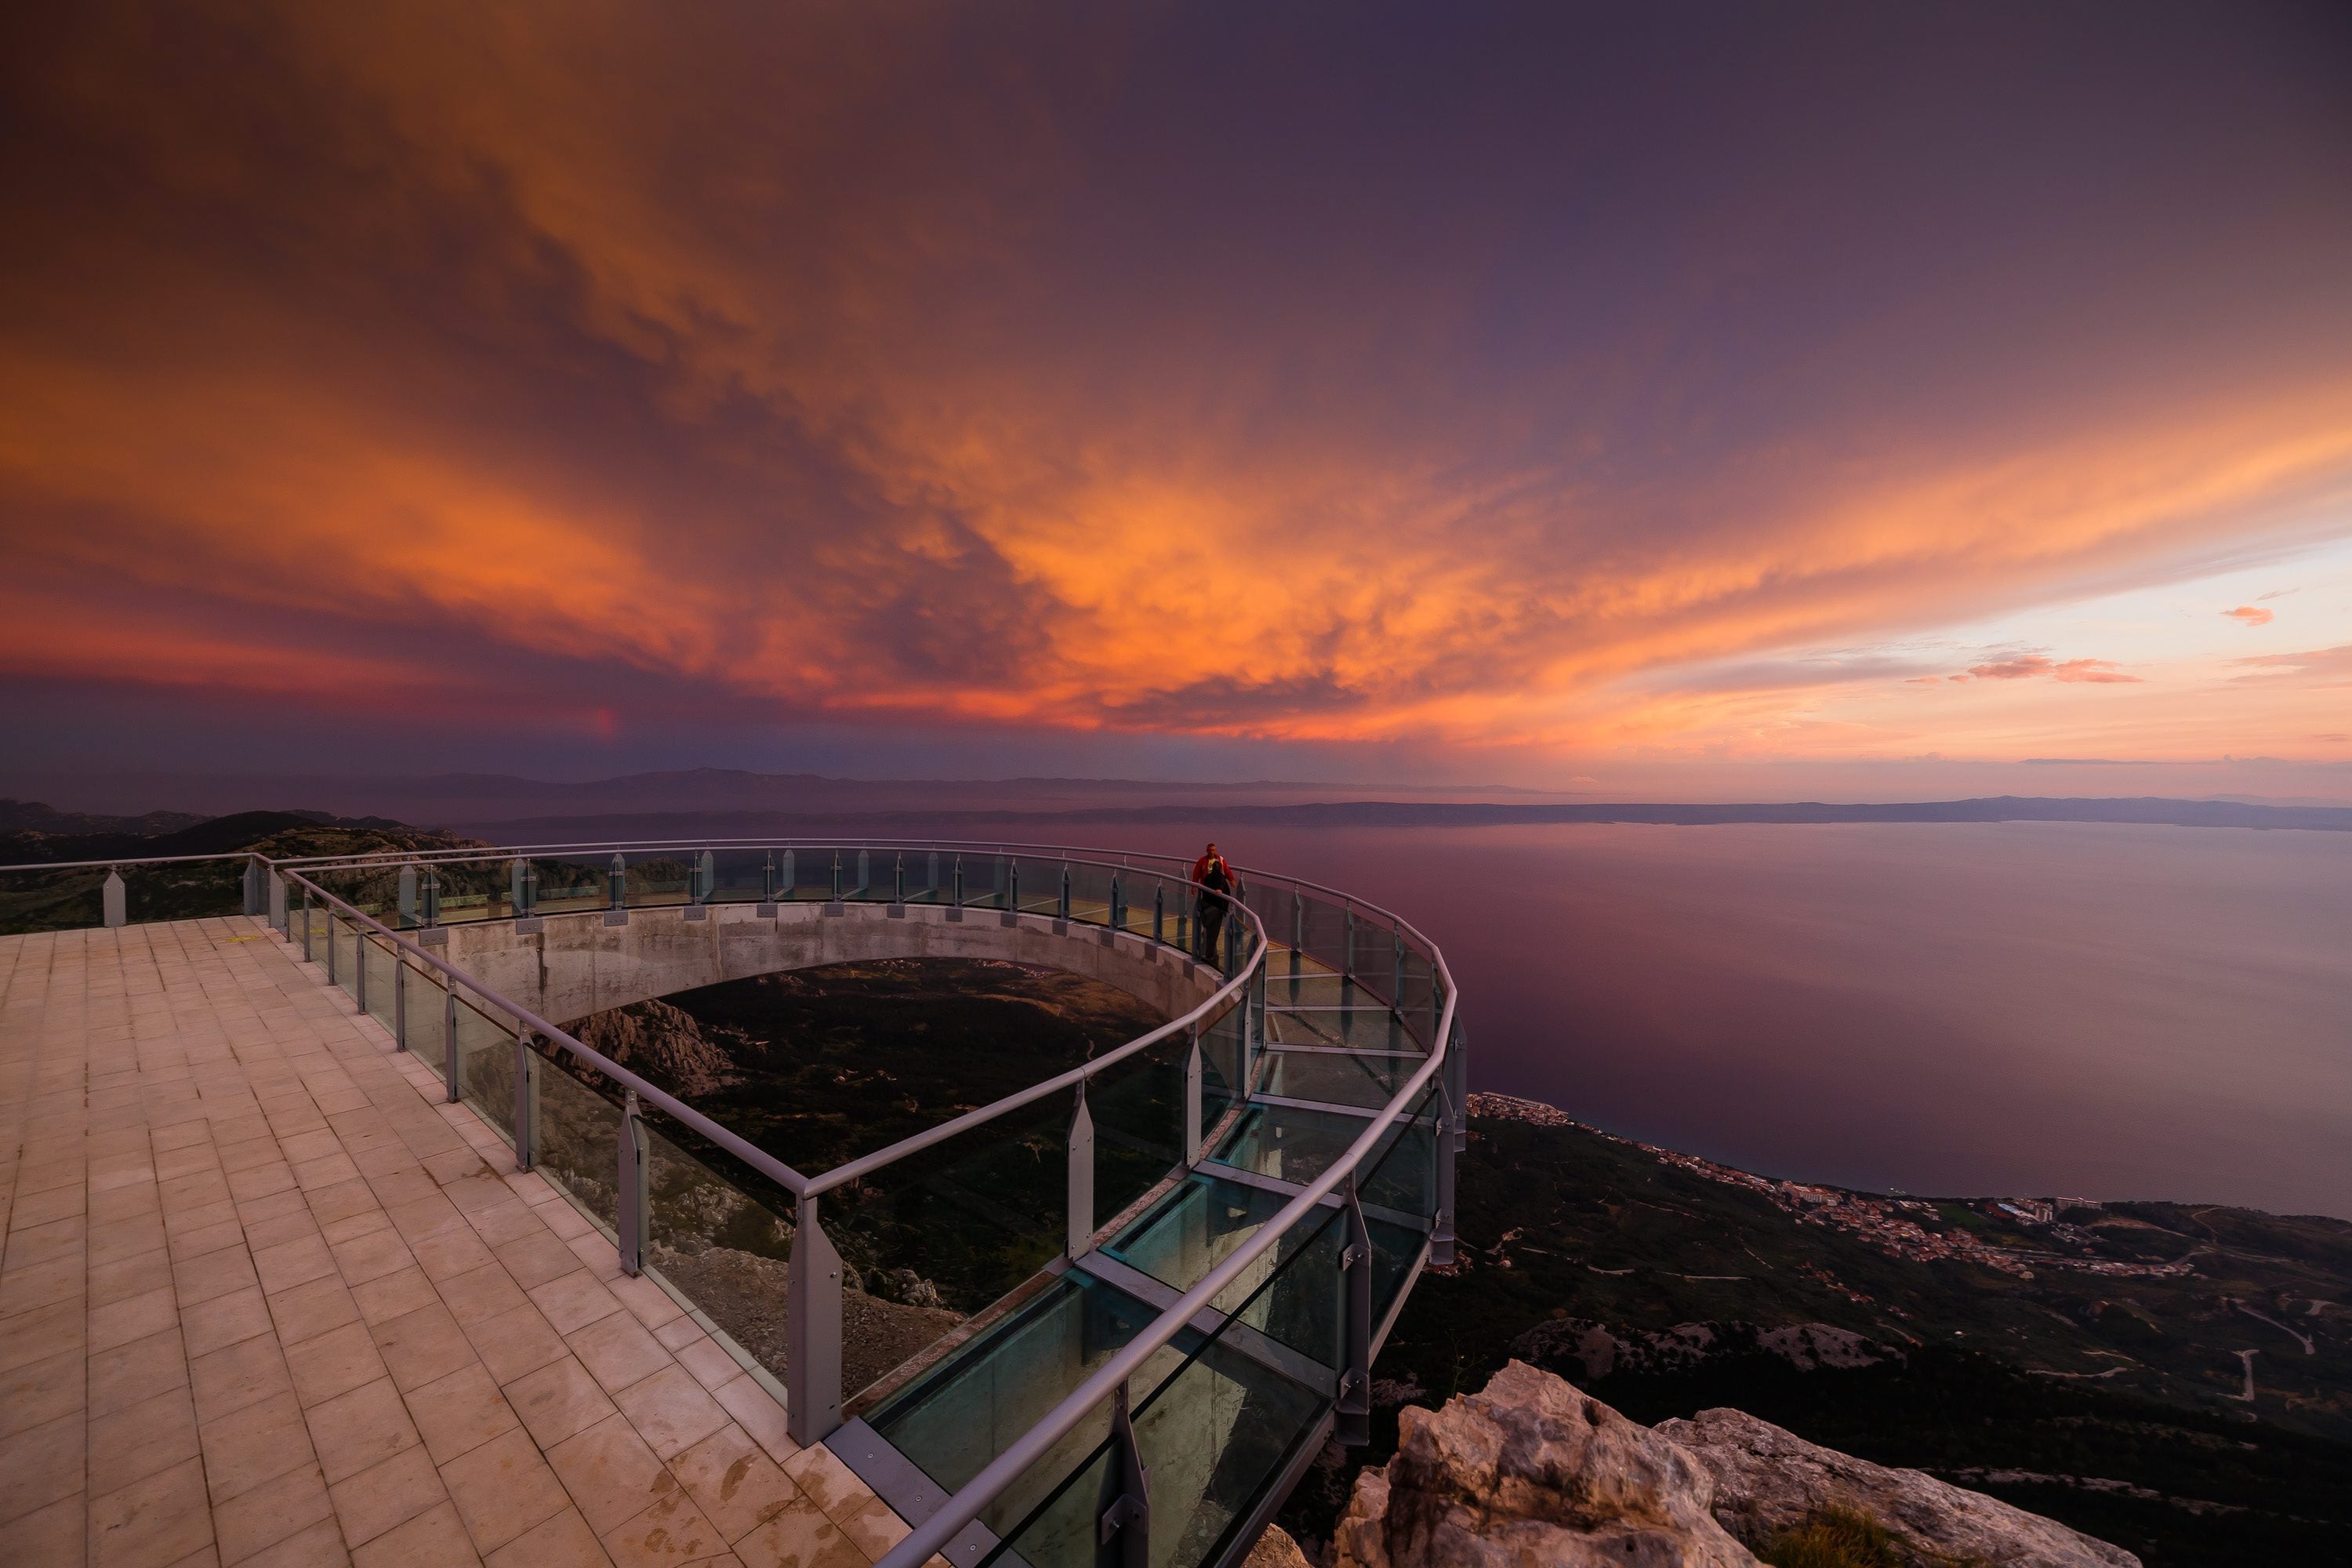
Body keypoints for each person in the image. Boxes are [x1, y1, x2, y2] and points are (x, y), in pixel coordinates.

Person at [1192, 842, 1235, 962]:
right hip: (1207, 892)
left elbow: (1226, 870)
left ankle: (1209, 952)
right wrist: (1194, 885)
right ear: (1207, 850)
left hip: (1216, 897)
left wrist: (1232, 880)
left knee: (1211, 921)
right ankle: (1209, 952)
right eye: (1210, 850)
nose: (1212, 852)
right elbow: (1196, 873)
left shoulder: (1220, 860)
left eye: (1213, 850)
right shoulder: (1202, 861)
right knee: (1210, 921)